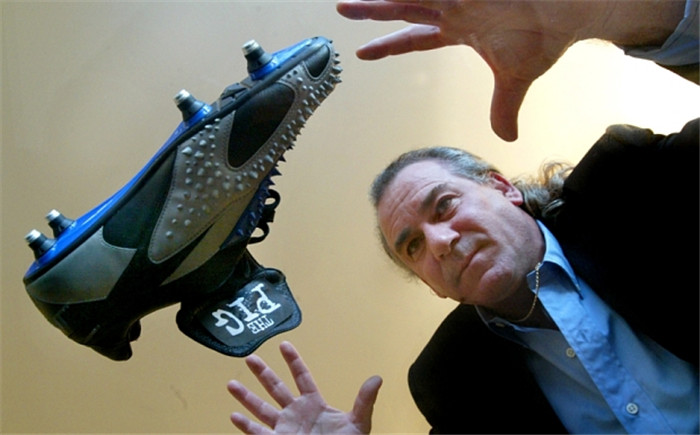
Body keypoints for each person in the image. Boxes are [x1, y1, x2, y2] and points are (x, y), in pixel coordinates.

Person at [227, 0, 699, 433]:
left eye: (444, 205)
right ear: (432, 285)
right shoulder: (449, 380)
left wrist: (612, 12)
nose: (439, 243)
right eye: (412, 246)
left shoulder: (626, 182)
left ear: (503, 188)